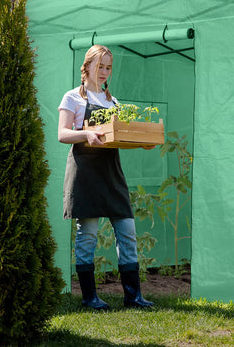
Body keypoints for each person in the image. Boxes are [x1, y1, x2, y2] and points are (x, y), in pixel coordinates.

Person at [58, 44, 154, 310]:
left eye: (108, 67)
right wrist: (86, 134)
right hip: (85, 172)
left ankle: (133, 296)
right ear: (87, 66)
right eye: (100, 66)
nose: (104, 72)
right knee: (87, 235)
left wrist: (141, 142)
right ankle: (89, 298)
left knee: (128, 232)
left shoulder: (113, 102)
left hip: (111, 173)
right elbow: (62, 134)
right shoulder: (72, 98)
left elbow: (117, 137)